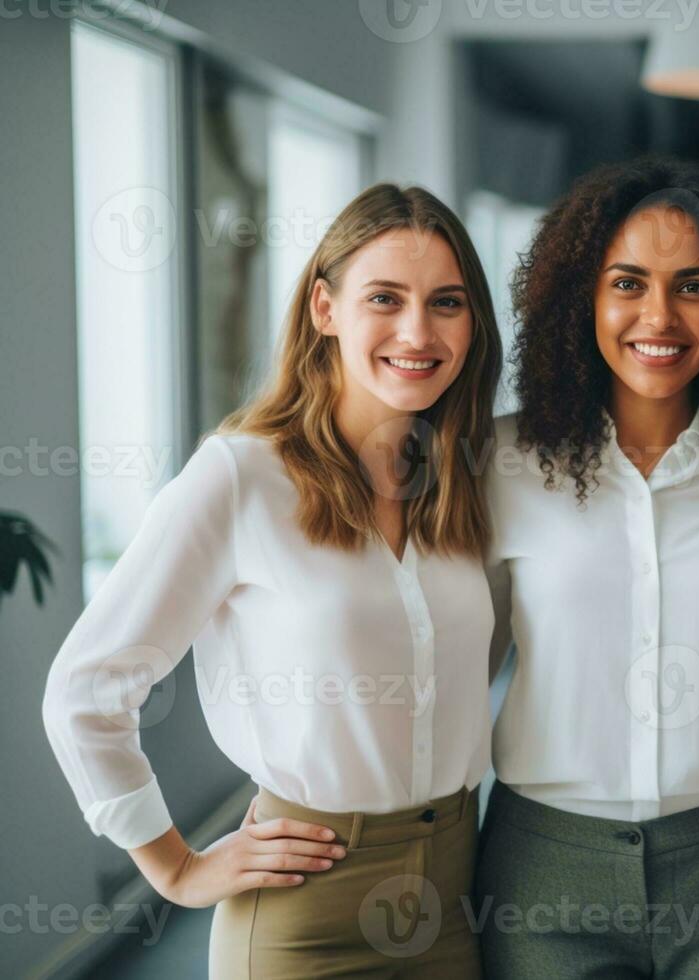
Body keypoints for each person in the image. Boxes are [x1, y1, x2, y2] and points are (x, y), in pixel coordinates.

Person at [43, 183, 503, 977]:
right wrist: (177, 869)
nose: (418, 332)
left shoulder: (466, 481)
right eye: (384, 299)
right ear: (325, 308)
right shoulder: (240, 477)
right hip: (307, 907)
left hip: (455, 891)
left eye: (447, 303)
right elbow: (84, 691)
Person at [475, 157, 699, 978]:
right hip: (542, 865)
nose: (659, 316)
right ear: (581, 299)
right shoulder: (503, 460)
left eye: (695, 286)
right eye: (627, 283)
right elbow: (462, 660)